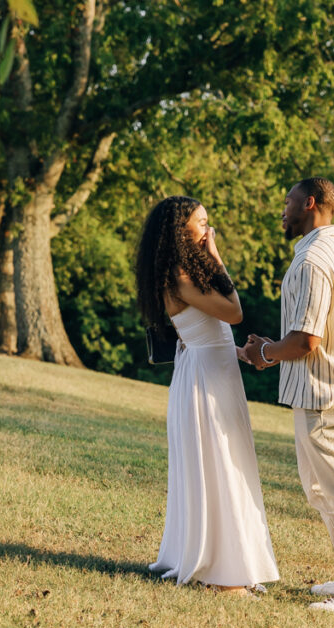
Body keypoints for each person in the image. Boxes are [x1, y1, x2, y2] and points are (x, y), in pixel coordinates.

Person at [243, 177, 334, 617]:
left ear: (309, 203)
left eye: (288, 202)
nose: (282, 210)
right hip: (315, 391)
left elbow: (307, 340)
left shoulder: (314, 259)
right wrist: (272, 348)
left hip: (325, 393)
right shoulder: (323, 251)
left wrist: (263, 354)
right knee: (322, 490)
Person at [135, 195, 279, 596]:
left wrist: (238, 352)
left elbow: (208, 331)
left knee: (229, 463)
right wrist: (216, 258)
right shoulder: (179, 276)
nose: (208, 229)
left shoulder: (183, 272)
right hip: (206, 382)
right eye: (201, 223)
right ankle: (224, 574)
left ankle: (233, 564)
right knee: (219, 467)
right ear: (179, 230)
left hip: (217, 372)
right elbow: (234, 312)